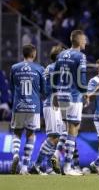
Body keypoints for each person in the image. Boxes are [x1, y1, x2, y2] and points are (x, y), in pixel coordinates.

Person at [52, 30, 87, 176]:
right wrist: (85, 93)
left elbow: (55, 75)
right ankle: (67, 166)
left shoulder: (61, 55)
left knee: (68, 127)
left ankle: (57, 154)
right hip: (73, 95)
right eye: (84, 40)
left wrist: (54, 93)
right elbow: (82, 78)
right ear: (78, 41)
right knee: (74, 127)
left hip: (61, 94)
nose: (85, 42)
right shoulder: (80, 56)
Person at [10, 44, 45, 175]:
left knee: (17, 132)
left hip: (18, 105)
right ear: (34, 54)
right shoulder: (39, 68)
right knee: (31, 134)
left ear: (23, 54)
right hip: (33, 106)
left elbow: (13, 87)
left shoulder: (14, 68)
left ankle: (15, 155)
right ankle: (24, 167)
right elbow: (44, 89)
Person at [33, 45, 66, 175]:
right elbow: (53, 86)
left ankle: (47, 167)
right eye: (63, 54)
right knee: (53, 137)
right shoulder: (54, 68)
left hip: (52, 102)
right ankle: (36, 165)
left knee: (56, 137)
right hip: (52, 103)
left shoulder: (52, 67)